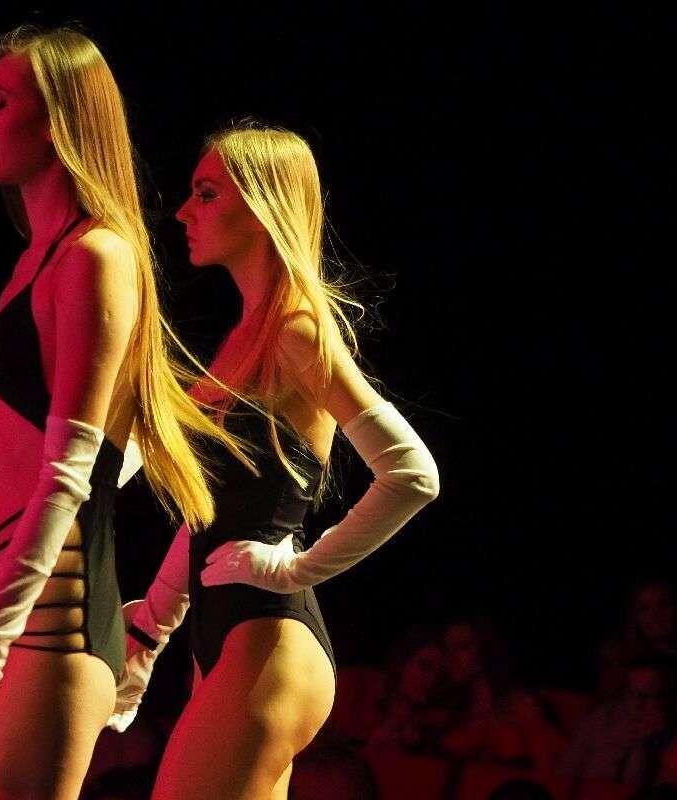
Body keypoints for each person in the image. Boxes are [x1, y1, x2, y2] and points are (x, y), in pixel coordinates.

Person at [0, 26, 249, 800]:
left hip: (51, 604)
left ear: (58, 118)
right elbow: (119, 435)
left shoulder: (96, 256)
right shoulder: (36, 259)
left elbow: (72, 472)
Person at [108, 124, 439, 799]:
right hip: (230, 637)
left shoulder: (296, 328)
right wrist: (152, 624)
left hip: (268, 638)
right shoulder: (247, 335)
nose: (183, 212)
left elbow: (412, 473)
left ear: (262, 206)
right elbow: (215, 511)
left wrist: (298, 566)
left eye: (207, 194)